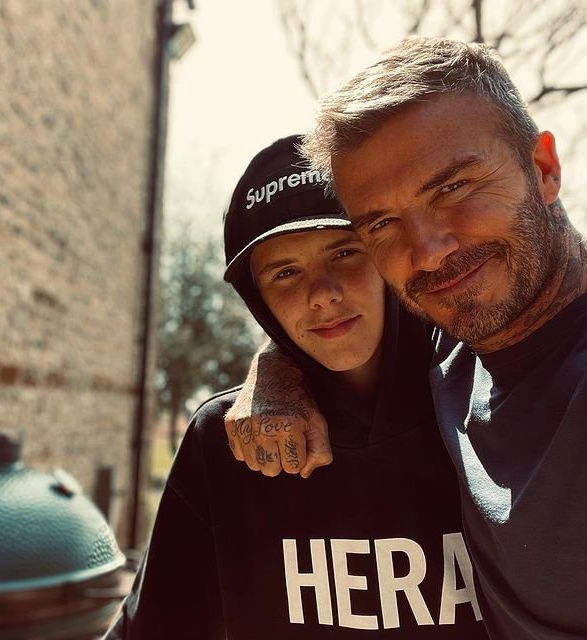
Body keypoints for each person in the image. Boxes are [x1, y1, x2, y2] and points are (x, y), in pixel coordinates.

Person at [225, 37, 587, 640]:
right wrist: (278, 368)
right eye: (382, 224)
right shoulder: (456, 342)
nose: (428, 251)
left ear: (543, 168)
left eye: (454, 188)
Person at [102, 135, 488, 639]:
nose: (322, 295)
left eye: (344, 252)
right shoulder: (223, 442)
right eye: (285, 272)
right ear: (256, 297)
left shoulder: (489, 407)